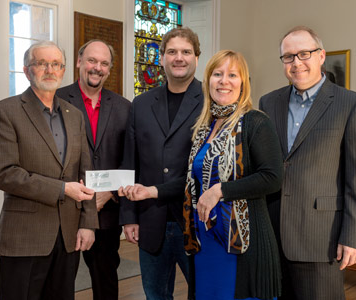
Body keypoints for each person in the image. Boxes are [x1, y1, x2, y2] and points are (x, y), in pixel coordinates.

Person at [120, 50, 283, 300]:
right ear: (208, 81)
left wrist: (221, 191)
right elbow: (191, 181)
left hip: (241, 242)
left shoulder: (255, 122)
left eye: (232, 75)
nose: (224, 81)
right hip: (205, 238)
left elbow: (272, 177)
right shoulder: (205, 127)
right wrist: (151, 191)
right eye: (217, 74)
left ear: (244, 82)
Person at [259, 26, 356, 300]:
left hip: (322, 237)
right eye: (288, 57)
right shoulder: (268, 102)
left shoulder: (352, 104)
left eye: (304, 54)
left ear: (321, 56)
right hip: (272, 232)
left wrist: (354, 237)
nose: (296, 62)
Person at [0, 41, 98, 300]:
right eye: (41, 63)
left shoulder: (74, 115)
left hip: (68, 235)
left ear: (63, 70)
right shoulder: (5, 111)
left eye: (56, 64)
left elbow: (86, 172)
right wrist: (62, 189)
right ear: (27, 71)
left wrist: (88, 224)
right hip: (25, 235)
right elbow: (5, 173)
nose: (50, 70)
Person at [119, 27, 203, 300]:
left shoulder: (211, 101)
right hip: (150, 220)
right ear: (162, 58)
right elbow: (129, 162)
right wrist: (129, 216)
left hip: (196, 222)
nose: (179, 58)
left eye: (186, 52)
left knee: (202, 293)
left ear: (197, 58)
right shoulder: (141, 104)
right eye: (172, 52)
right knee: (155, 295)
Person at [57, 39, 130, 300]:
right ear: (79, 61)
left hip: (106, 210)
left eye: (103, 63)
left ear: (109, 69)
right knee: (61, 280)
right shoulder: (56, 99)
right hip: (64, 208)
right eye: (91, 60)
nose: (96, 67)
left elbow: (130, 158)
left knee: (105, 279)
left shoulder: (124, 107)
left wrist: (108, 192)